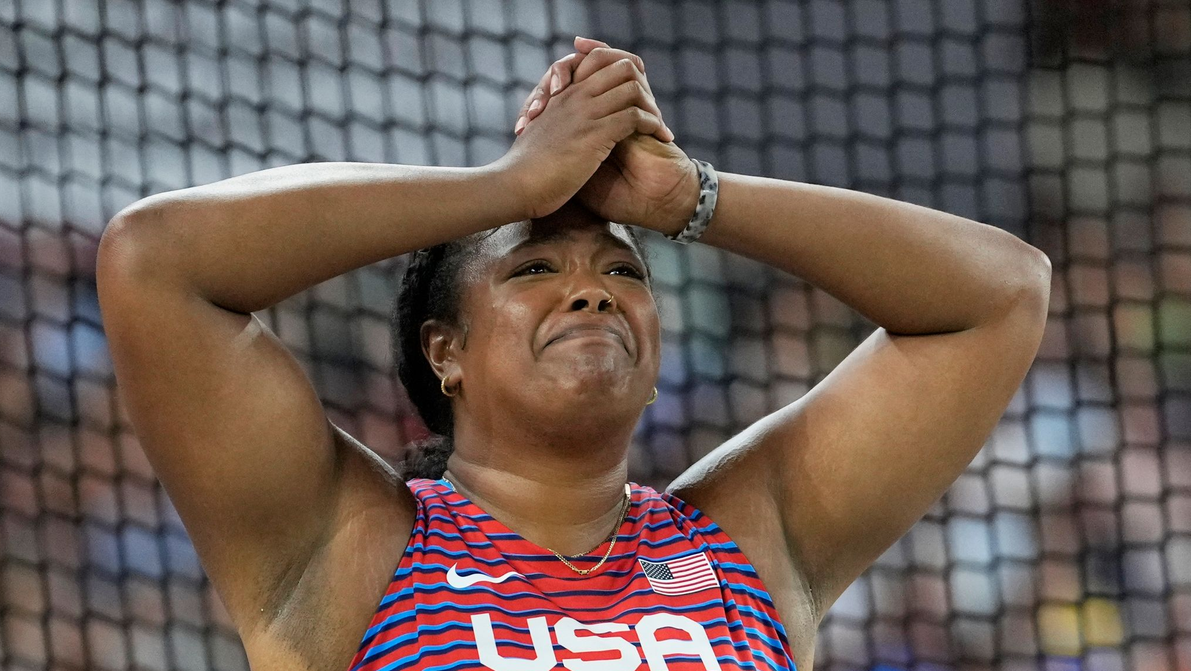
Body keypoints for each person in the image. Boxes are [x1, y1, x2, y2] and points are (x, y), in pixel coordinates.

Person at [95, 36, 1051, 671]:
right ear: (445, 351)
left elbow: (999, 292)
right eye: (533, 267)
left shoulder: (746, 542)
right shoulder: (350, 542)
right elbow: (157, 261)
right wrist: (508, 185)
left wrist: (689, 200)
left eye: (626, 273)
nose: (592, 288)